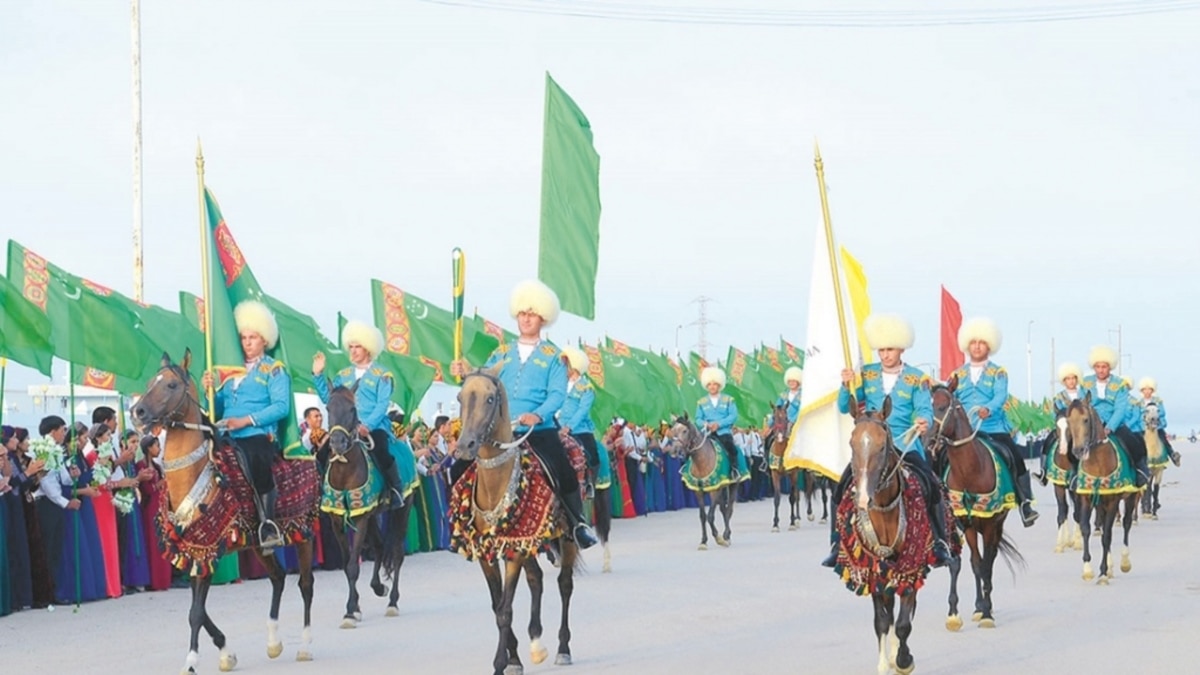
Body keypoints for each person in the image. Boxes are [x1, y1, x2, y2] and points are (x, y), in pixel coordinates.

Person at [449, 279, 598, 549]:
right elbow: (483, 382)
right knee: (458, 466)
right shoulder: (501, 353)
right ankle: (461, 524)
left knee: (562, 468)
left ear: (542, 318)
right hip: (501, 430)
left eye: (532, 314)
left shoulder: (555, 356)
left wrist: (538, 415)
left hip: (537, 430)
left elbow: (557, 394)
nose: (526, 319)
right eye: (522, 314)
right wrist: (466, 370)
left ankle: (578, 524)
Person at [822, 313, 954, 568]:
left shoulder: (917, 378)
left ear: (901, 348)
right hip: (871, 447)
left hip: (905, 445)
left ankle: (939, 542)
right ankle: (836, 543)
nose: (885, 355)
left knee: (931, 484)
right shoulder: (865, 374)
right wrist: (845, 384)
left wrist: (923, 420)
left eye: (890, 349)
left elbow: (924, 408)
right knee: (840, 487)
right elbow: (843, 406)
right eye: (881, 350)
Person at [201, 300, 291, 551]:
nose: (247, 342)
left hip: (256, 433)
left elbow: (281, 407)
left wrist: (246, 420)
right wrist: (207, 388)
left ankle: (268, 524)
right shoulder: (229, 371)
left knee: (258, 460)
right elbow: (216, 407)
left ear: (265, 340)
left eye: (253, 337)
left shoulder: (274, 369)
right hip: (225, 432)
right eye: (243, 337)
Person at [313, 319, 415, 509]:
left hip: (374, 427)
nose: (352, 351)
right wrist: (318, 376)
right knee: (321, 455)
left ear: (368, 348)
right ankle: (321, 493)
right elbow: (331, 400)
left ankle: (394, 490)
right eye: (350, 347)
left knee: (382, 452)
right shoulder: (342, 376)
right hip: (346, 428)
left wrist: (367, 425)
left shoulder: (382, 375)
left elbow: (382, 404)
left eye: (357, 347)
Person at [949, 317, 1038, 527]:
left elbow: (1000, 396)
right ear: (966, 345)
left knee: (1014, 456)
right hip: (964, 430)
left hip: (993, 427)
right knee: (940, 456)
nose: (977, 347)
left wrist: (988, 409)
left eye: (981, 342)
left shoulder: (999, 372)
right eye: (973, 342)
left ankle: (1025, 502)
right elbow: (949, 397)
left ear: (989, 345)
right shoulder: (957, 374)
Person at [1081, 345, 1149, 487]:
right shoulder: (1085, 383)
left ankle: (1141, 470)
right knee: (1073, 443)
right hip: (1090, 424)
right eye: (1098, 366)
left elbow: (1120, 408)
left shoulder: (1119, 385)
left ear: (1110, 367)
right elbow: (1082, 405)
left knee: (1134, 442)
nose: (1100, 370)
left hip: (1114, 423)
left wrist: (1110, 427)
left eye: (1104, 366)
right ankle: (1073, 476)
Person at [558, 346, 599, 495]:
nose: (562, 367)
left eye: (565, 364)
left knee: (593, 456)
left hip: (580, 429)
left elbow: (582, 410)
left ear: (573, 366)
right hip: (558, 426)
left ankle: (589, 484)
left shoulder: (586, 388)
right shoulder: (559, 386)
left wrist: (569, 427)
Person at [695, 367, 742, 481]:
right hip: (707, 433)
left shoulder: (729, 400)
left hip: (724, 432)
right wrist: (706, 424)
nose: (712, 387)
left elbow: (733, 416)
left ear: (719, 385)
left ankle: (734, 470)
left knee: (731, 449)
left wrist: (719, 424)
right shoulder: (701, 402)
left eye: (715, 384)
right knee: (694, 448)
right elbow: (697, 419)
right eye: (709, 384)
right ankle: (690, 472)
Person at [1129, 377, 1181, 467]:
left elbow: (1162, 412)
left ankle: (1172, 455)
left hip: (1157, 426)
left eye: (1149, 389)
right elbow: (1137, 415)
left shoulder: (1158, 401)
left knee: (1163, 438)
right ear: (1142, 391)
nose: (1147, 391)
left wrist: (1160, 422)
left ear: (1152, 390)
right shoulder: (1138, 402)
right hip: (1143, 427)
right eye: (1145, 389)